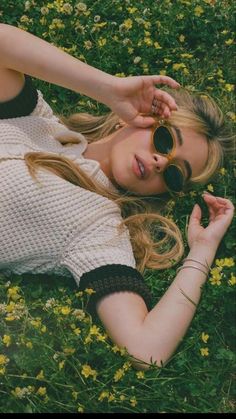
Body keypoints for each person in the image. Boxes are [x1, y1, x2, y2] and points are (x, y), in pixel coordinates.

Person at [0, 23, 234, 369]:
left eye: (173, 174)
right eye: (165, 140)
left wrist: (203, 249)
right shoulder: (41, 122)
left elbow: (146, 349)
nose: (159, 161)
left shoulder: (99, 228)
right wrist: (108, 88)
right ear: (140, 117)